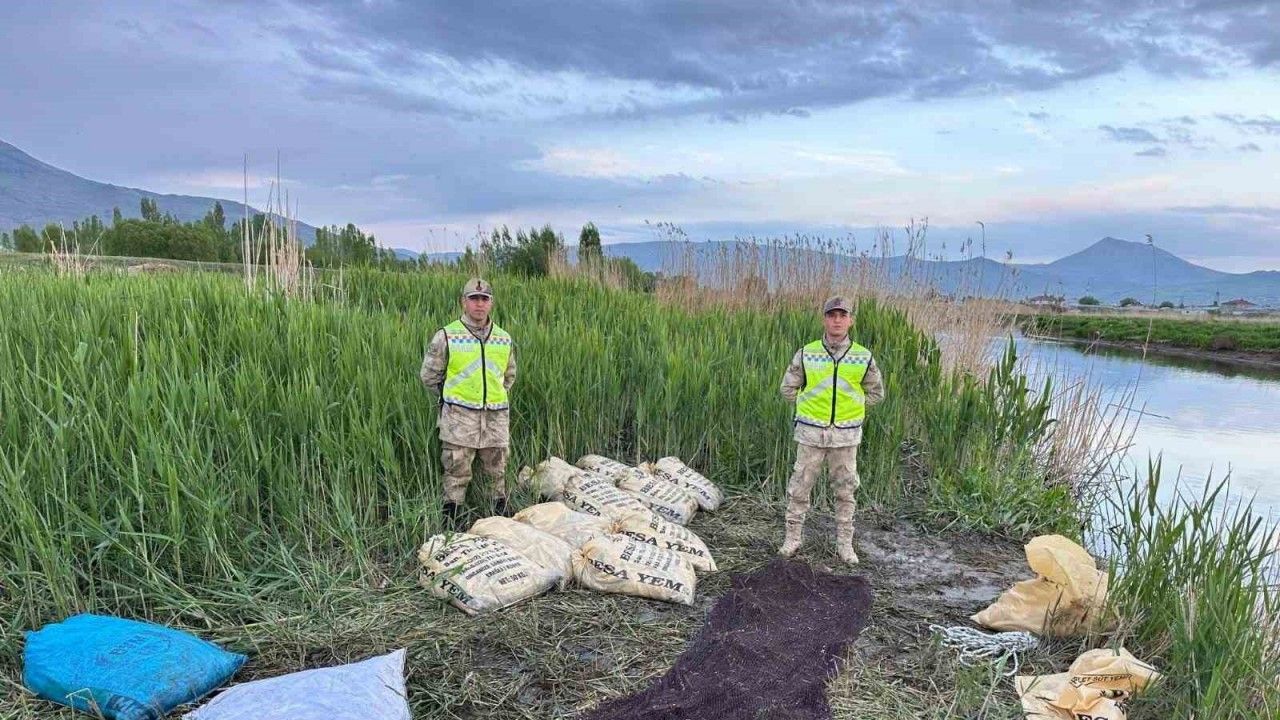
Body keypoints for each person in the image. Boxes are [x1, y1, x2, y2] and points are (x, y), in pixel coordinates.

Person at [778, 295, 884, 564]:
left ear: (850, 321)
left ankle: (845, 545)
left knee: (846, 491)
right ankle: (792, 539)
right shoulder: (807, 353)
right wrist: (808, 407)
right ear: (824, 320)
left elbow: (876, 393)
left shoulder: (863, 356)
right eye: (832, 315)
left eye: (842, 315)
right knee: (799, 487)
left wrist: (853, 409)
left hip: (846, 437)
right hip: (810, 434)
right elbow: (788, 388)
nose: (837, 320)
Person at [420, 278, 517, 526]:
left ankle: (499, 520)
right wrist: (452, 401)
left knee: (497, 470)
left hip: (495, 417)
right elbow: (429, 376)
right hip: (459, 419)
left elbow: (508, 376)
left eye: (484, 299)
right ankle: (452, 522)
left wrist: (492, 398)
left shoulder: (503, 338)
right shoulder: (447, 336)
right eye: (474, 298)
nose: (479, 304)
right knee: (456, 471)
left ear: (491, 303)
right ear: (464, 302)